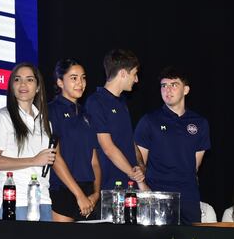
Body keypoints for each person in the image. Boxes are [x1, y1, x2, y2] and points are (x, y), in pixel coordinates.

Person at [135, 67, 210, 224]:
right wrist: (144, 188)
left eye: (174, 85)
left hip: (188, 197)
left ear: (186, 90)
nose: (167, 90)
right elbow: (139, 161)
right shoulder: (149, 121)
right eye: (164, 86)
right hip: (157, 195)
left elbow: (195, 165)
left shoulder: (200, 123)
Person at [0, 62, 55, 221]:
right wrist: (34, 160)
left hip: (43, 200)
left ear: (38, 87)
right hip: (14, 202)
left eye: (29, 79)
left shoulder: (45, 123)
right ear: (11, 86)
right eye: (17, 79)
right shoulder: (1, 117)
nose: (23, 84)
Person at [47, 59, 102, 222]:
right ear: (59, 82)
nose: (80, 83)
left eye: (83, 78)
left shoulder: (87, 115)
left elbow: (94, 160)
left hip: (88, 191)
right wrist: (79, 195)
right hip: (63, 189)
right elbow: (54, 157)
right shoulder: (51, 110)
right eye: (73, 78)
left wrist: (96, 193)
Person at [85, 49, 147, 191]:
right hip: (109, 186)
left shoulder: (122, 104)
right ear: (123, 73)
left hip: (129, 183)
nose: (136, 79)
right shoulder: (96, 102)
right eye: (134, 74)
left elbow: (129, 140)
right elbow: (107, 147)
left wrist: (140, 168)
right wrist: (135, 175)